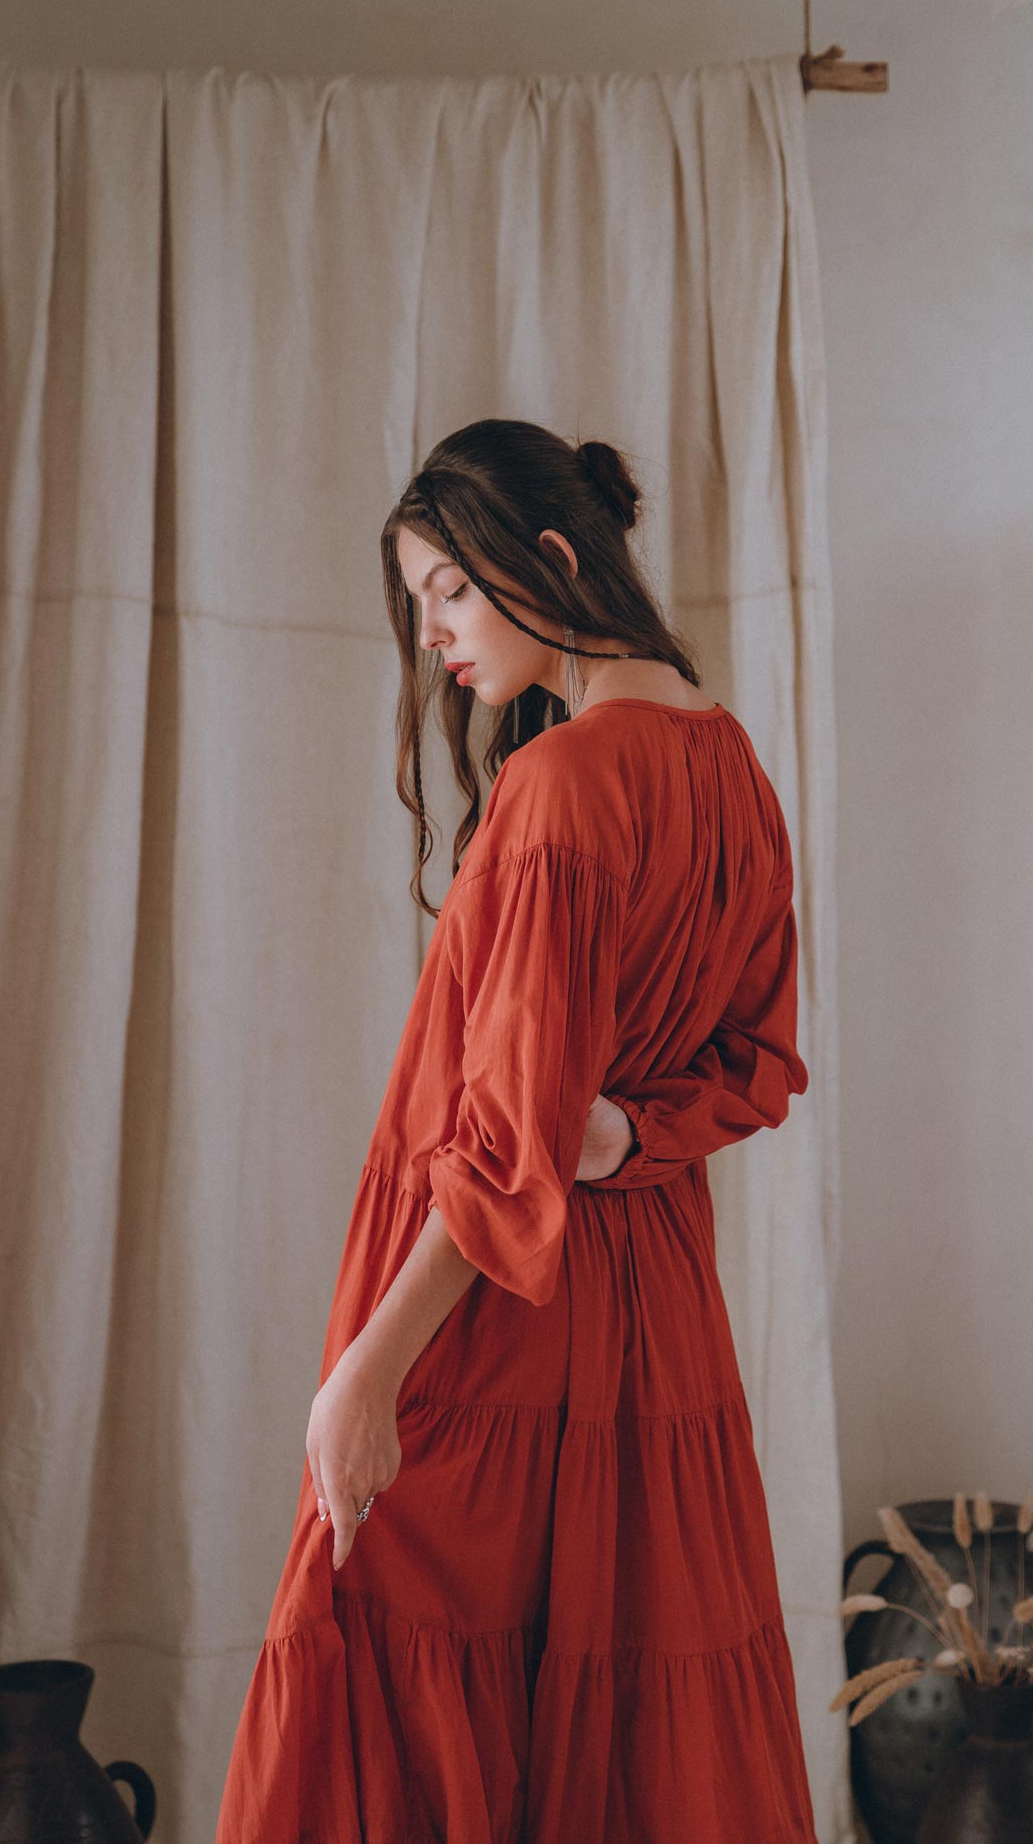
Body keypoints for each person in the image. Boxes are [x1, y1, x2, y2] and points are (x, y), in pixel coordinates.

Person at [215, 419, 818, 1842]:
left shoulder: (559, 786)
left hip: (495, 1319)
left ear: (546, 558)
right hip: (654, 1313)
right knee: (619, 1709)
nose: (431, 637)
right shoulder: (732, 770)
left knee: (379, 1657)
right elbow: (761, 1065)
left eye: (446, 594)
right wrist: (630, 1138)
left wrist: (365, 1373)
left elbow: (501, 1153)